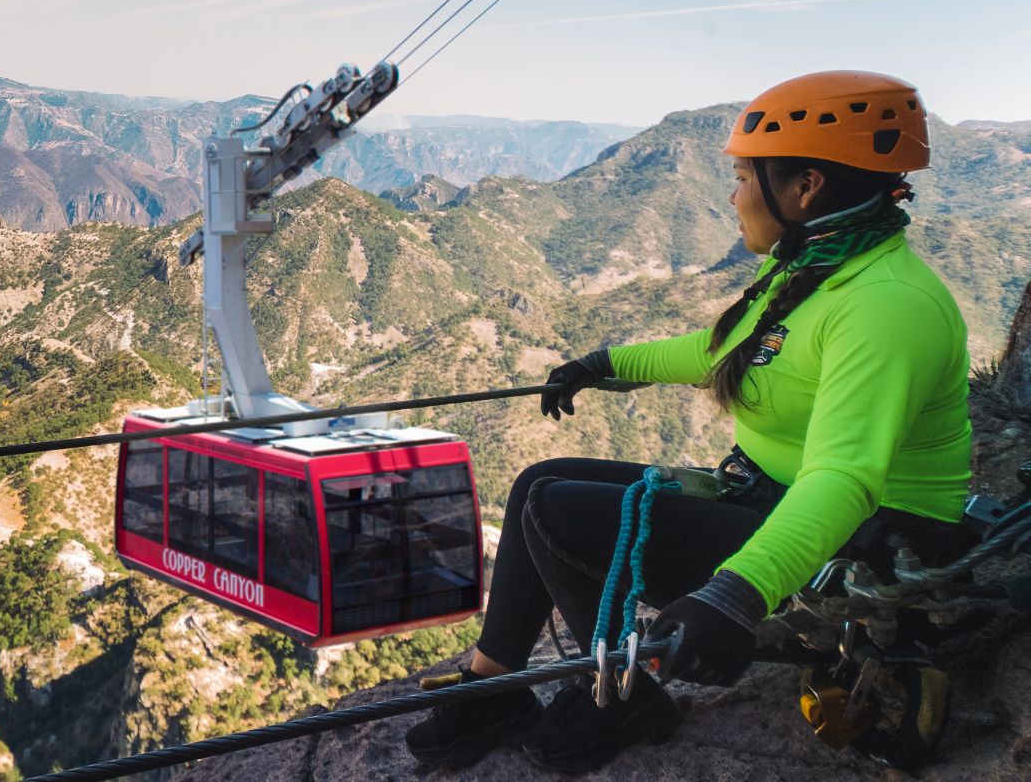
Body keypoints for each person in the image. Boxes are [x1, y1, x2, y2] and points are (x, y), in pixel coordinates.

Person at [404, 71, 973, 773]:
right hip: (783, 501)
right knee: (537, 483)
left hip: (867, 542)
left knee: (559, 513)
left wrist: (736, 592)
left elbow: (846, 477)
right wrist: (604, 362)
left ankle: (618, 694)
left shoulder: (886, 305)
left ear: (807, 187)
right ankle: (495, 686)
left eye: (743, 177)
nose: (732, 196)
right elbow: (731, 352)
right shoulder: (824, 266)